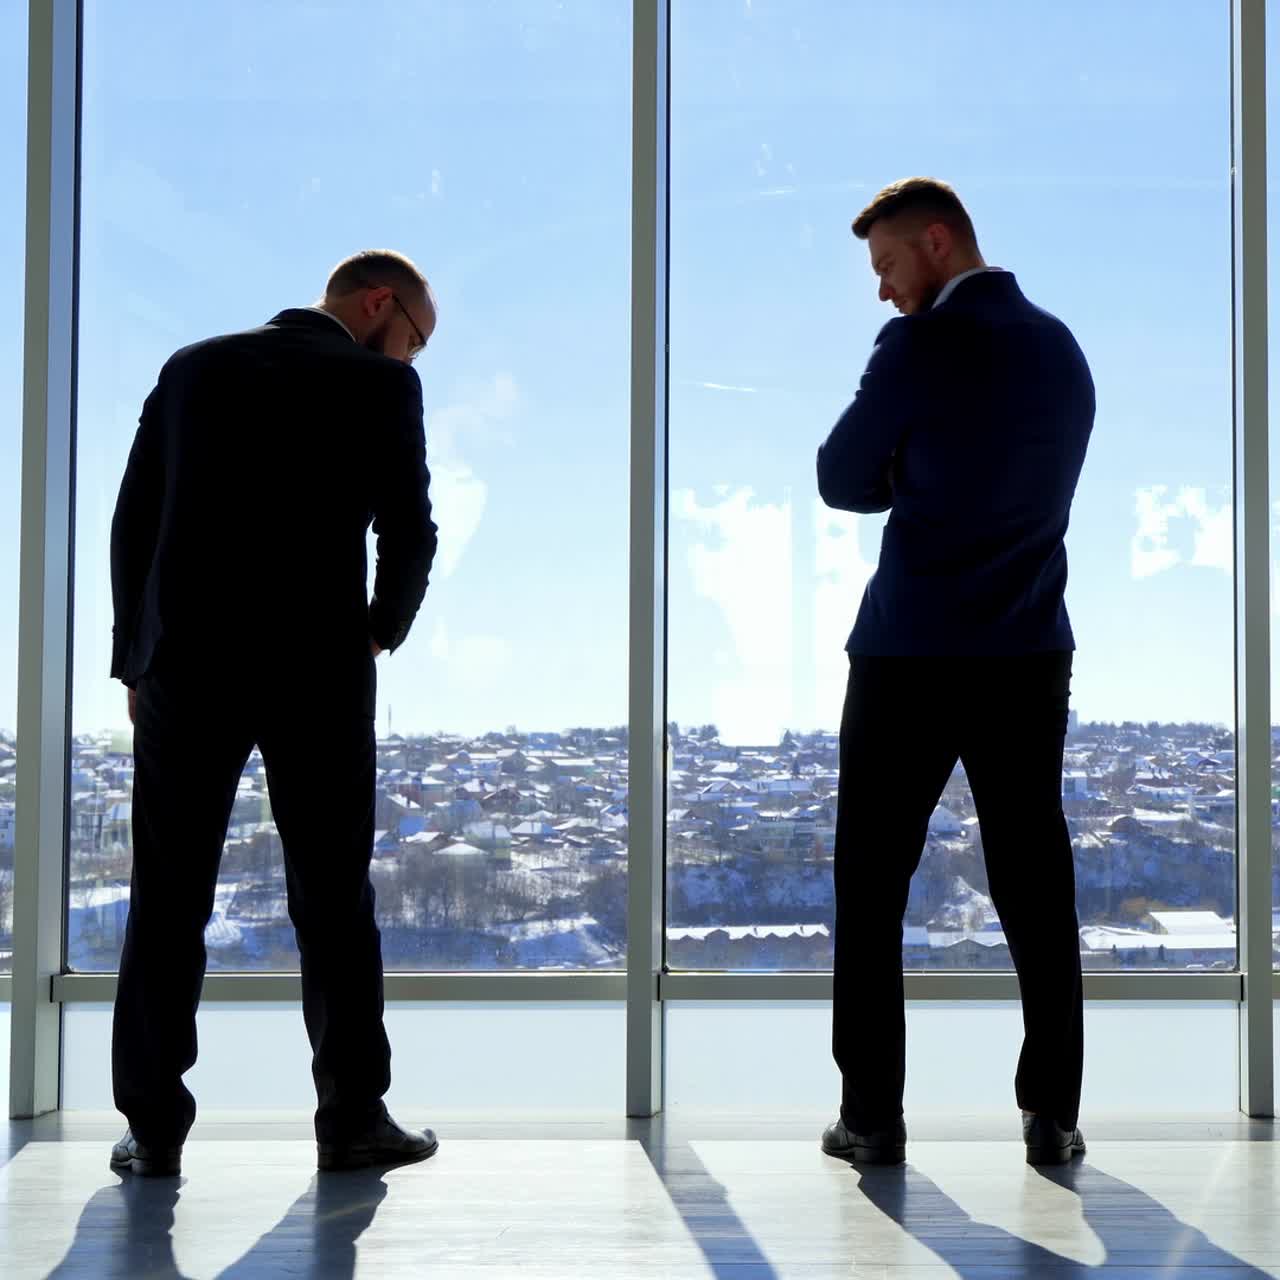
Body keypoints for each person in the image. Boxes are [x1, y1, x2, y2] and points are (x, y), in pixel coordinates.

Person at [107, 250, 440, 1176]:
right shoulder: (378, 386)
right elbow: (409, 531)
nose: (412, 358)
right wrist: (379, 632)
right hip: (317, 670)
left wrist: (135, 660)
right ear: (381, 305)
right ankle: (352, 1121)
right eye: (416, 339)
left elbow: (134, 521)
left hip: (186, 666)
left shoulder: (191, 368)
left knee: (168, 898)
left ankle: (153, 1129)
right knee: (333, 898)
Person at [816, 179, 1095, 1167]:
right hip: (1027, 648)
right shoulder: (1061, 352)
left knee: (871, 881)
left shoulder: (919, 346)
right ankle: (1051, 1112)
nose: (884, 293)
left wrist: (905, 474)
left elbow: (837, 474)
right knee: (1032, 878)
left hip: (909, 652)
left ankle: (871, 1117)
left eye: (888, 266)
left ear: (936, 243)